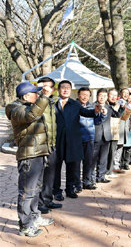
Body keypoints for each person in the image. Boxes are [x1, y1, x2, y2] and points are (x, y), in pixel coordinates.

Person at [6, 82, 55, 237]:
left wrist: (44, 96)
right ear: (26, 96)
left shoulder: (29, 106)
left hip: (39, 153)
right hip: (29, 156)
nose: (38, 95)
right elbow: (30, 115)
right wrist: (45, 96)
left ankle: (34, 217)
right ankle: (25, 225)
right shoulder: (16, 109)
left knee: (36, 190)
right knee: (27, 192)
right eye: (35, 93)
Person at [53, 80, 100, 200]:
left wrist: (96, 111)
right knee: (56, 167)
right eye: (63, 87)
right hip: (57, 140)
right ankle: (56, 190)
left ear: (70, 90)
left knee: (71, 166)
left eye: (68, 88)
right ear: (58, 90)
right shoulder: (52, 103)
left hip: (72, 141)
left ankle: (70, 189)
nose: (65, 90)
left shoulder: (75, 104)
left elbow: (86, 112)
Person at [35, 77, 63, 214]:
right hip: (40, 144)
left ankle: (47, 199)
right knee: (39, 176)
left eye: (49, 86)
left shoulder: (53, 101)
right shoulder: (36, 100)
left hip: (52, 144)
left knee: (50, 174)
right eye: (43, 86)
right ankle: (39, 203)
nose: (46, 88)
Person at [77, 87, 99, 190]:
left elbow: (98, 120)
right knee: (76, 163)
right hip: (76, 138)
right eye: (83, 94)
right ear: (78, 95)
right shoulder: (73, 106)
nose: (85, 97)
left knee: (88, 162)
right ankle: (76, 184)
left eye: (87, 95)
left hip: (89, 137)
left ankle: (87, 182)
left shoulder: (92, 106)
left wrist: (102, 114)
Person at [93, 88, 113, 183]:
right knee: (93, 157)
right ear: (97, 96)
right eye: (100, 95)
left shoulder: (109, 108)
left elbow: (119, 114)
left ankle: (101, 176)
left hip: (106, 135)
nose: (102, 98)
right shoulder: (92, 106)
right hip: (95, 135)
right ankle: (92, 177)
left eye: (104, 96)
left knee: (103, 157)